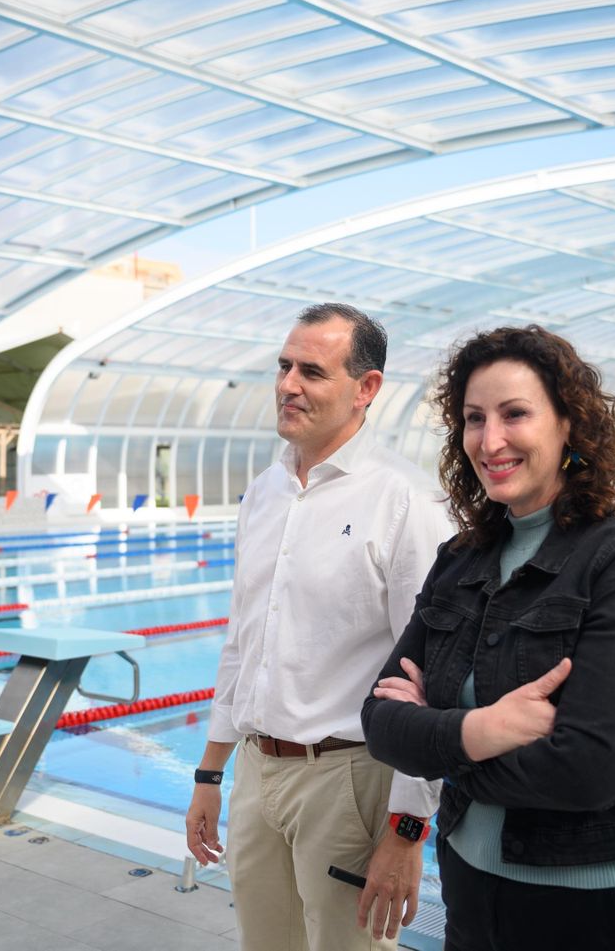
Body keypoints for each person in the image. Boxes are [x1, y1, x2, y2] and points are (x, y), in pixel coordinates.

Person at [361, 326, 615, 950]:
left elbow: (591, 772)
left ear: (569, 424)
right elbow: (379, 721)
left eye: (515, 414)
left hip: (603, 909)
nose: (490, 441)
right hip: (471, 894)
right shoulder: (459, 559)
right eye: (474, 418)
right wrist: (484, 730)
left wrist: (438, 744)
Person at [185, 303, 454, 950]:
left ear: (366, 388)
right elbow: (242, 643)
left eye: (311, 371)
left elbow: (432, 677)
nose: (288, 385)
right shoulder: (263, 492)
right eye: (284, 367)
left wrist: (407, 830)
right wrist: (210, 773)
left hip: (348, 781)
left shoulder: (406, 501)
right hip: (257, 771)